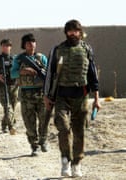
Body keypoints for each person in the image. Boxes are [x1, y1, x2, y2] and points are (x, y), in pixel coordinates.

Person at [43, 19, 101, 177]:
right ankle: (65, 160)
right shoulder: (57, 49)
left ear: (80, 32)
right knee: (62, 127)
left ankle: (77, 163)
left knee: (79, 131)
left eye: (76, 31)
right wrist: (46, 96)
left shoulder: (87, 49)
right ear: (66, 33)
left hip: (81, 95)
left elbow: (92, 74)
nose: (73, 34)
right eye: (70, 31)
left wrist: (96, 98)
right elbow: (50, 73)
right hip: (61, 95)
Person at [11, 33, 49, 156]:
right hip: (26, 95)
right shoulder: (19, 59)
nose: (31, 45)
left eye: (33, 42)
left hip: (41, 94)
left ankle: (43, 140)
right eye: (28, 43)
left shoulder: (41, 58)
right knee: (29, 122)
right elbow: (12, 74)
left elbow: (49, 74)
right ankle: (34, 146)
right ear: (24, 45)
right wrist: (23, 71)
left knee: (44, 120)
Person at [0, 39, 18, 134]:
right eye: (4, 45)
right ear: (1, 47)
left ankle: (4, 124)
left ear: (11, 47)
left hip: (14, 86)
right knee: (7, 107)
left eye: (8, 45)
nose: (6, 47)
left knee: (12, 107)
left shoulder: (14, 58)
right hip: (3, 86)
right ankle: (11, 127)